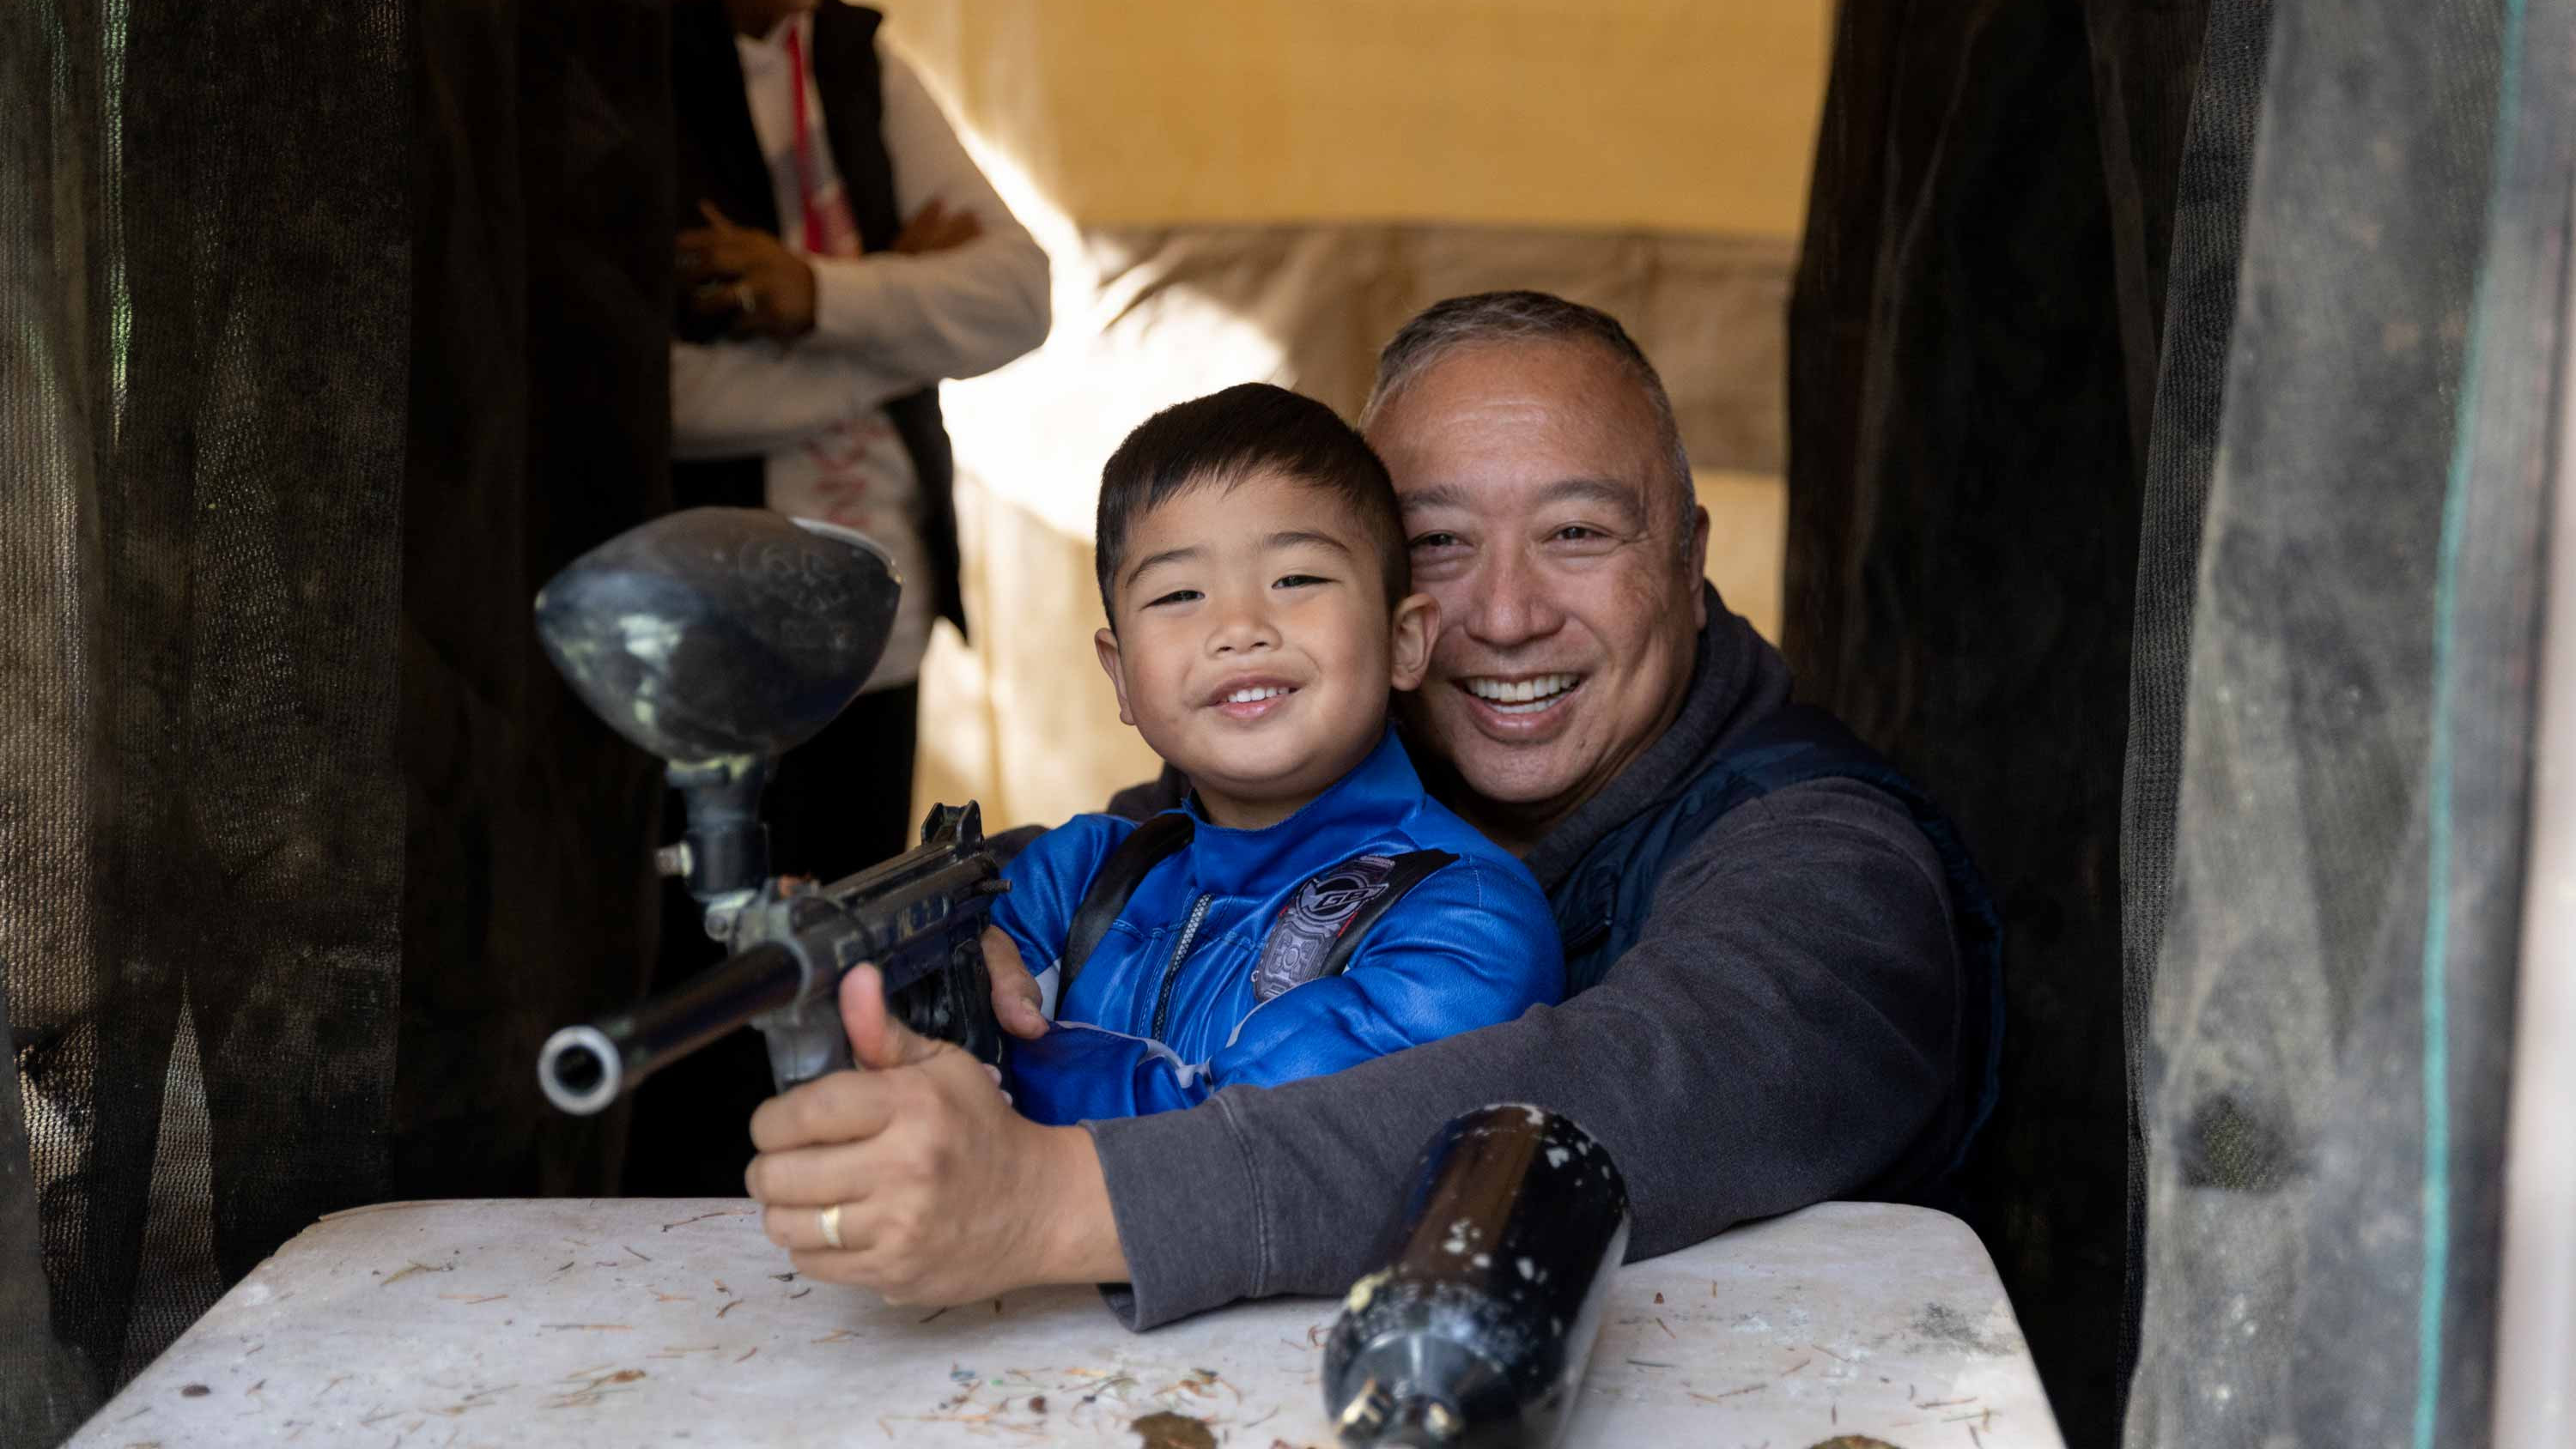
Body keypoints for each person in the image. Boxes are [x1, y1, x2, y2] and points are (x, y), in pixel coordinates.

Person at [742, 292, 2000, 1323]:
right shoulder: (1274, 791)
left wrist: (1056, 1202)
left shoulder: (1833, 862)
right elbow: (1099, 867)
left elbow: (1628, 1087)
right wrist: (966, 951)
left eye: (1576, 534)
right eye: (1440, 544)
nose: (1505, 616)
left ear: (1688, 553)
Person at [626, 0, 1049, 1199]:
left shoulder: (856, 61)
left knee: (861, 959)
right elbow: (640, 390)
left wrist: (815, 297)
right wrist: (907, 299)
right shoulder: (629, 65)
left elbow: (1021, 297)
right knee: (704, 986)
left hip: (883, 625)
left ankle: (853, 1218)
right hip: (710, 641)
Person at [987, 384, 1564, 1126]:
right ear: (1122, 675)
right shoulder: (1078, 879)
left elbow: (1240, 1151)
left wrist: (992, 1068)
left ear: (1405, 640)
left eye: (1296, 579)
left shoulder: (1468, 920)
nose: (1239, 627)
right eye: (1178, 594)